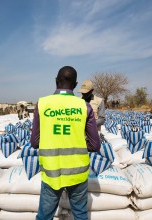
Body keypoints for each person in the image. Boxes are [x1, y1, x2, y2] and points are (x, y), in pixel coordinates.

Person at [30, 66, 101, 220]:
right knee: (80, 215)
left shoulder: (42, 104)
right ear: (75, 85)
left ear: (56, 81)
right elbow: (95, 145)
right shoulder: (84, 106)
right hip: (78, 173)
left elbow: (34, 143)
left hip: (51, 171)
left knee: (44, 216)